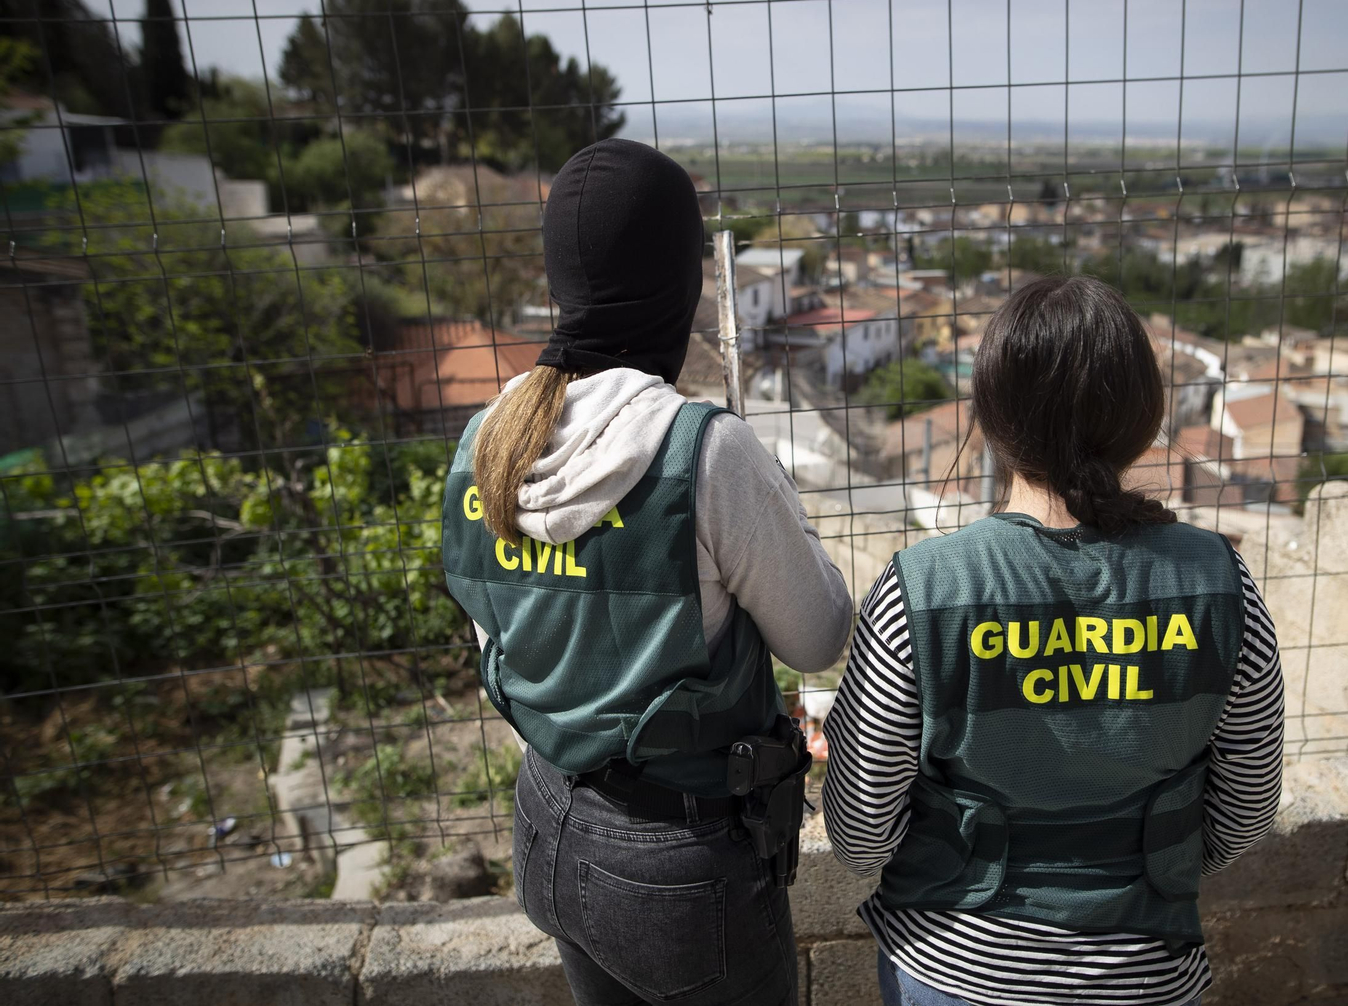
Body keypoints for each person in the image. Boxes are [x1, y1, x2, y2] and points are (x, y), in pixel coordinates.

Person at [441, 137, 853, 1006]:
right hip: (681, 866)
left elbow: (499, 639)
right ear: (680, 280)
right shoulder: (706, 453)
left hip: (548, 821)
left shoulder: (485, 443)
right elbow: (820, 636)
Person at [822, 276, 1285, 1006]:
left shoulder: (924, 590)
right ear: (1143, 415)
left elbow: (859, 833)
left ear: (993, 416)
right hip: (1144, 968)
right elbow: (1246, 811)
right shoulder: (1221, 584)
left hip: (954, 966)